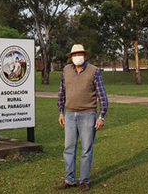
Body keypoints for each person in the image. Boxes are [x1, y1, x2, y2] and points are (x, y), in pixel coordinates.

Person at [56, 44, 108, 191]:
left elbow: (102, 96)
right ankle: (69, 179)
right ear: (71, 57)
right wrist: (61, 111)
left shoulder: (94, 71)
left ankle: (84, 180)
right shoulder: (66, 70)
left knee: (86, 149)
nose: (77, 57)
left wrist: (101, 116)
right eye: (74, 55)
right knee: (68, 148)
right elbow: (61, 92)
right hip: (70, 114)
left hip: (88, 115)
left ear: (84, 56)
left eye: (80, 54)